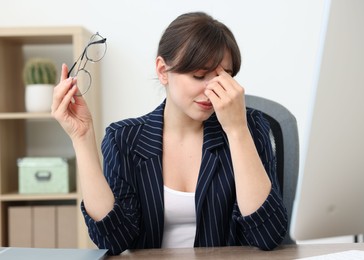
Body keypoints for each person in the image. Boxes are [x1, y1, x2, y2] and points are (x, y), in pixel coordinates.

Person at [52, 12, 288, 255]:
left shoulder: (251, 126)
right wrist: (82, 138)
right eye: (199, 75)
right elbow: (113, 240)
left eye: (223, 76)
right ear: (163, 70)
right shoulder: (123, 139)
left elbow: (267, 235)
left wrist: (237, 130)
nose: (212, 89)